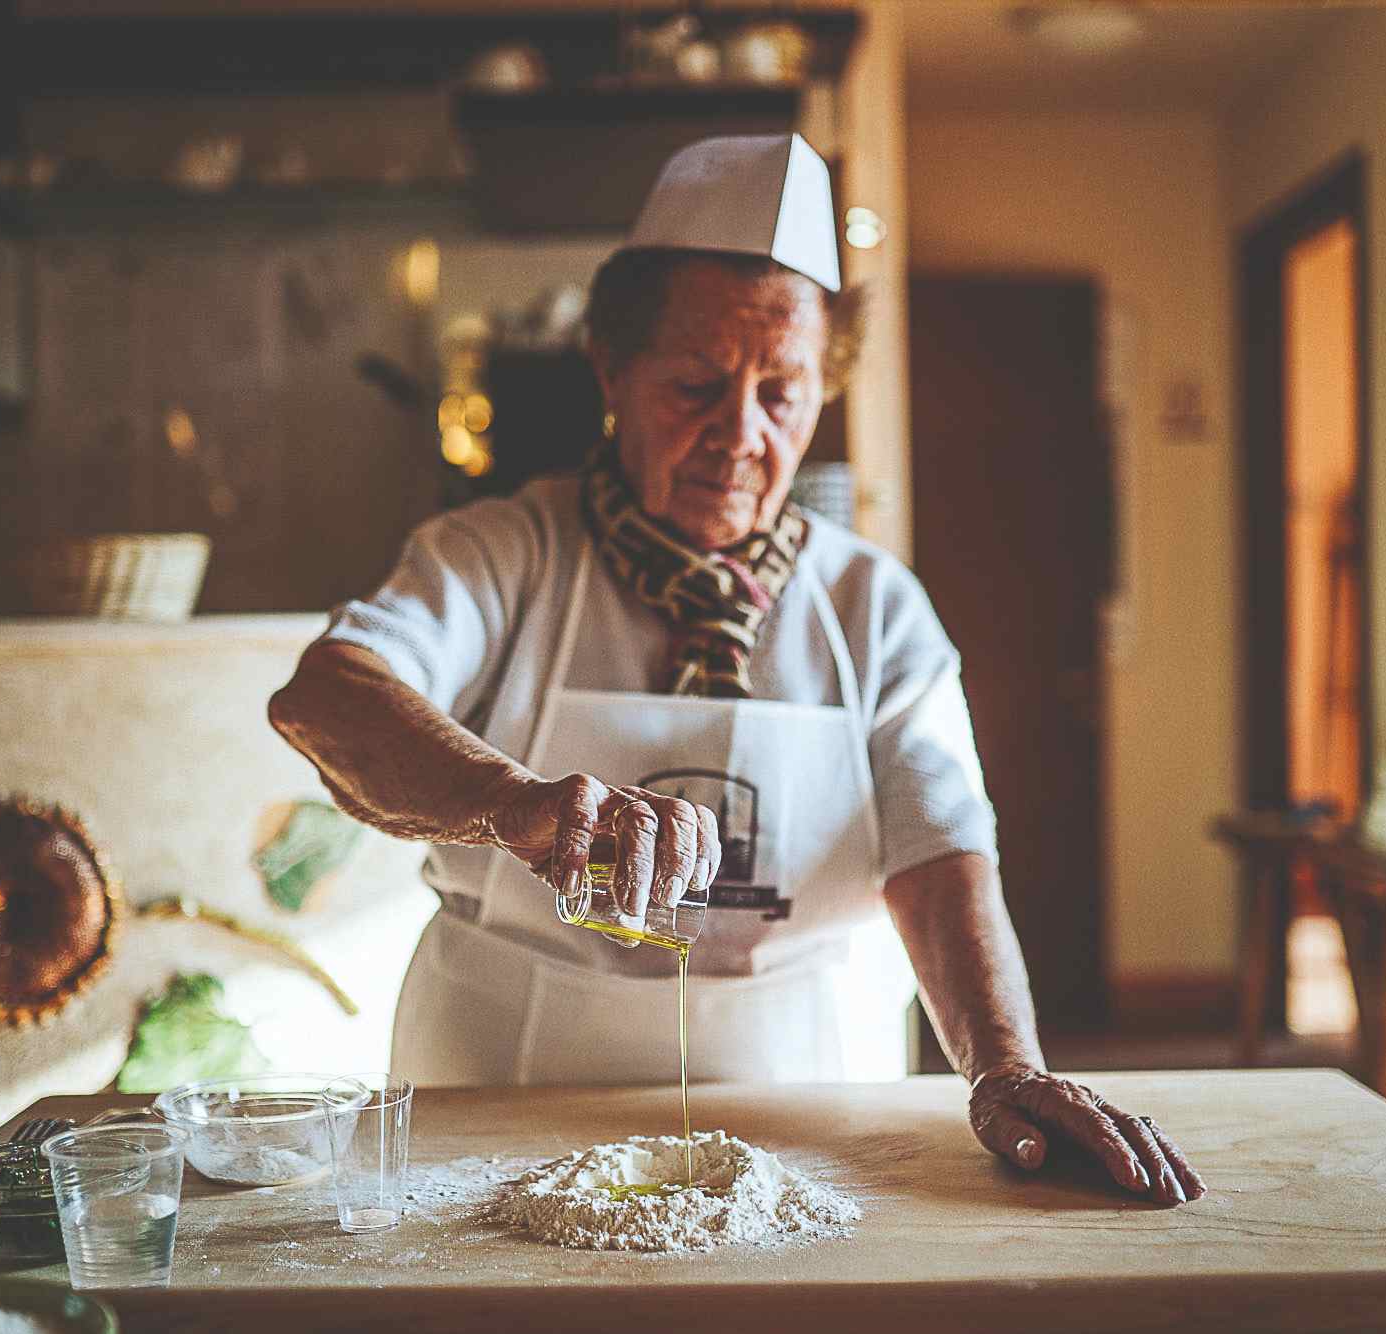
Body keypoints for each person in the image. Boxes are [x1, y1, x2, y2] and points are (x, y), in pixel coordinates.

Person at [270, 135, 1203, 1204]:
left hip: (811, 1113)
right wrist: (509, 802)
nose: (739, 434)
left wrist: (1004, 1064)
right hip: (497, 1093)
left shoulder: (871, 603)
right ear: (611, 370)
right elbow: (329, 695)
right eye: (696, 385)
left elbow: (940, 848)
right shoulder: (502, 552)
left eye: (781, 392)